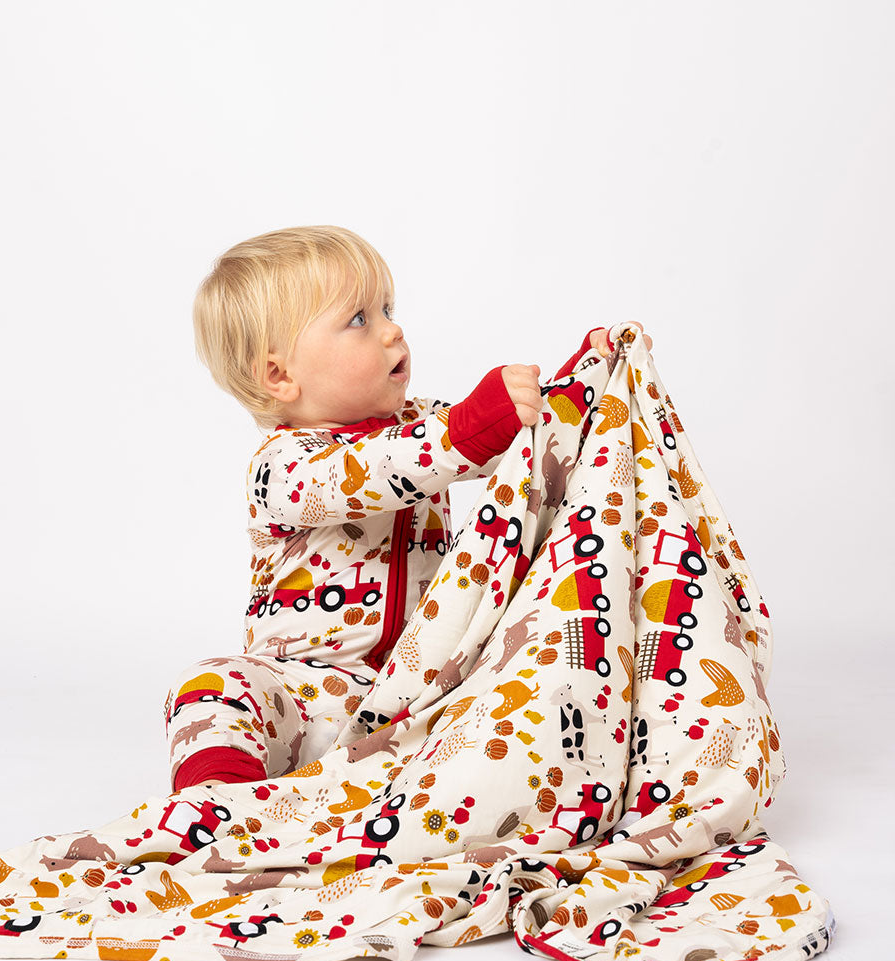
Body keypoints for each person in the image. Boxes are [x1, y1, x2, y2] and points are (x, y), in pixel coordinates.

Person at [165, 224, 646, 797]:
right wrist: (468, 426)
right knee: (213, 686)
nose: (394, 330)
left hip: (423, 689)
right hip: (311, 695)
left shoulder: (420, 424)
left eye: (388, 308)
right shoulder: (283, 465)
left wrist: (581, 383)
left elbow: (514, 448)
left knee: (535, 674)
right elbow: (378, 470)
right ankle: (215, 805)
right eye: (359, 319)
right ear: (279, 375)